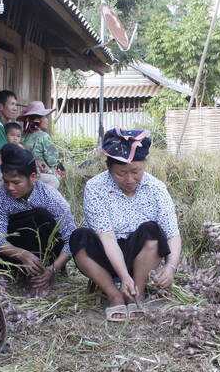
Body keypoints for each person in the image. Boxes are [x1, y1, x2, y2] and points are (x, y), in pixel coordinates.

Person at [70, 128, 181, 321]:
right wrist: (123, 276)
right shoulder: (96, 188)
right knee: (80, 237)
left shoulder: (156, 188)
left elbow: (172, 234)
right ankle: (114, 294)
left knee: (152, 230)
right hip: (107, 254)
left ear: (144, 165)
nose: (129, 180)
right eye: (121, 174)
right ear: (109, 169)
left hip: (142, 256)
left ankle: (136, 292)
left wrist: (171, 267)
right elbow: (107, 237)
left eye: (135, 171)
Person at [0, 144, 77, 291]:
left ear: (33, 177)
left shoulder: (49, 196)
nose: (10, 187)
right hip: (16, 252)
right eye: (6, 182)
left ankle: (43, 273)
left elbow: (71, 238)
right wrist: (22, 254)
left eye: (16, 182)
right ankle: (14, 273)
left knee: (41, 216)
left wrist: (53, 269)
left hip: (46, 253)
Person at [19, 101, 61, 189]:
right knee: (59, 173)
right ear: (38, 120)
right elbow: (52, 160)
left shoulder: (22, 136)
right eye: (45, 117)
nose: (47, 120)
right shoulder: (43, 136)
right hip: (40, 175)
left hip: (23, 173)